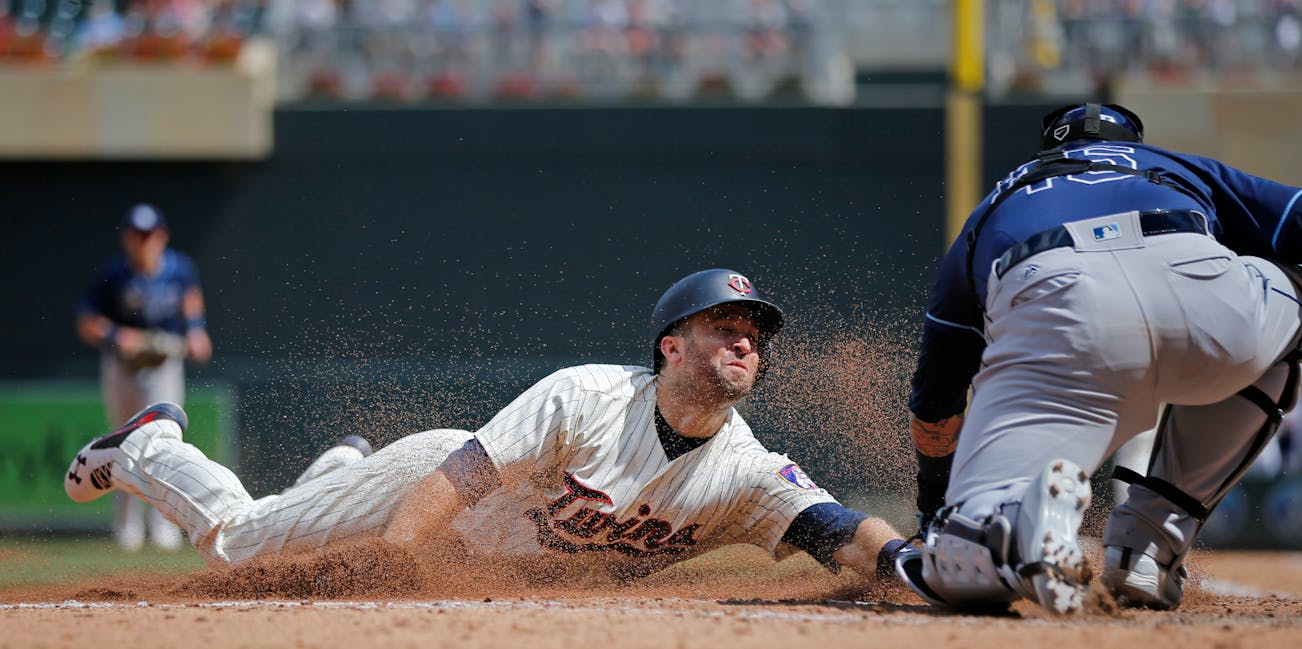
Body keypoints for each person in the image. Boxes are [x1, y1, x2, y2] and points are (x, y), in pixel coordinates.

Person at [895, 103, 1302, 615]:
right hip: (1198, 290)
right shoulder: (1172, 167)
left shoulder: (996, 203)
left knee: (957, 559)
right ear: (1130, 146)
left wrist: (938, 507)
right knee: (1298, 284)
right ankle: (1149, 544)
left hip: (1054, 307)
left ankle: (1007, 522)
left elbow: (936, 405)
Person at [65, 269, 910, 582]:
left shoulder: (746, 472)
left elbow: (838, 528)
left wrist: (916, 565)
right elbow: (457, 479)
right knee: (239, 545)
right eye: (724, 325)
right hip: (431, 493)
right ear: (671, 346)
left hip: (480, 553)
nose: (744, 340)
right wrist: (391, 565)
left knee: (309, 523)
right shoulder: (587, 397)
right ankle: (151, 446)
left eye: (753, 333)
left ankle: (332, 477)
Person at [75, 204, 213, 552]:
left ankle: (164, 525)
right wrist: (115, 336)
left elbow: (191, 298)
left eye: (149, 234)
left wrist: (196, 330)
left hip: (163, 362)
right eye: (137, 235)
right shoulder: (114, 273)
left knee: (165, 441)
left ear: (162, 236)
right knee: (122, 441)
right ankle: (126, 527)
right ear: (127, 238)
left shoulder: (180, 268)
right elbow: (86, 320)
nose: (144, 241)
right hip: (123, 365)